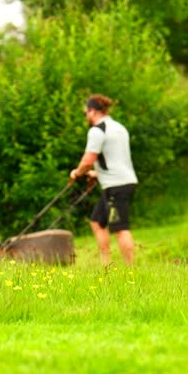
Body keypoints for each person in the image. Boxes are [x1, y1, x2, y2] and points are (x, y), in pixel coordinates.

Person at [69, 94, 138, 266]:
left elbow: (88, 160)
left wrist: (77, 173)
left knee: (120, 228)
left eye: (85, 113)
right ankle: (106, 265)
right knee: (97, 222)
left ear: (92, 111)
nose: (86, 116)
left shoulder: (97, 130)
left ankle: (131, 270)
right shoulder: (119, 128)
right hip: (122, 181)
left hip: (116, 186)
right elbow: (116, 159)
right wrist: (96, 174)